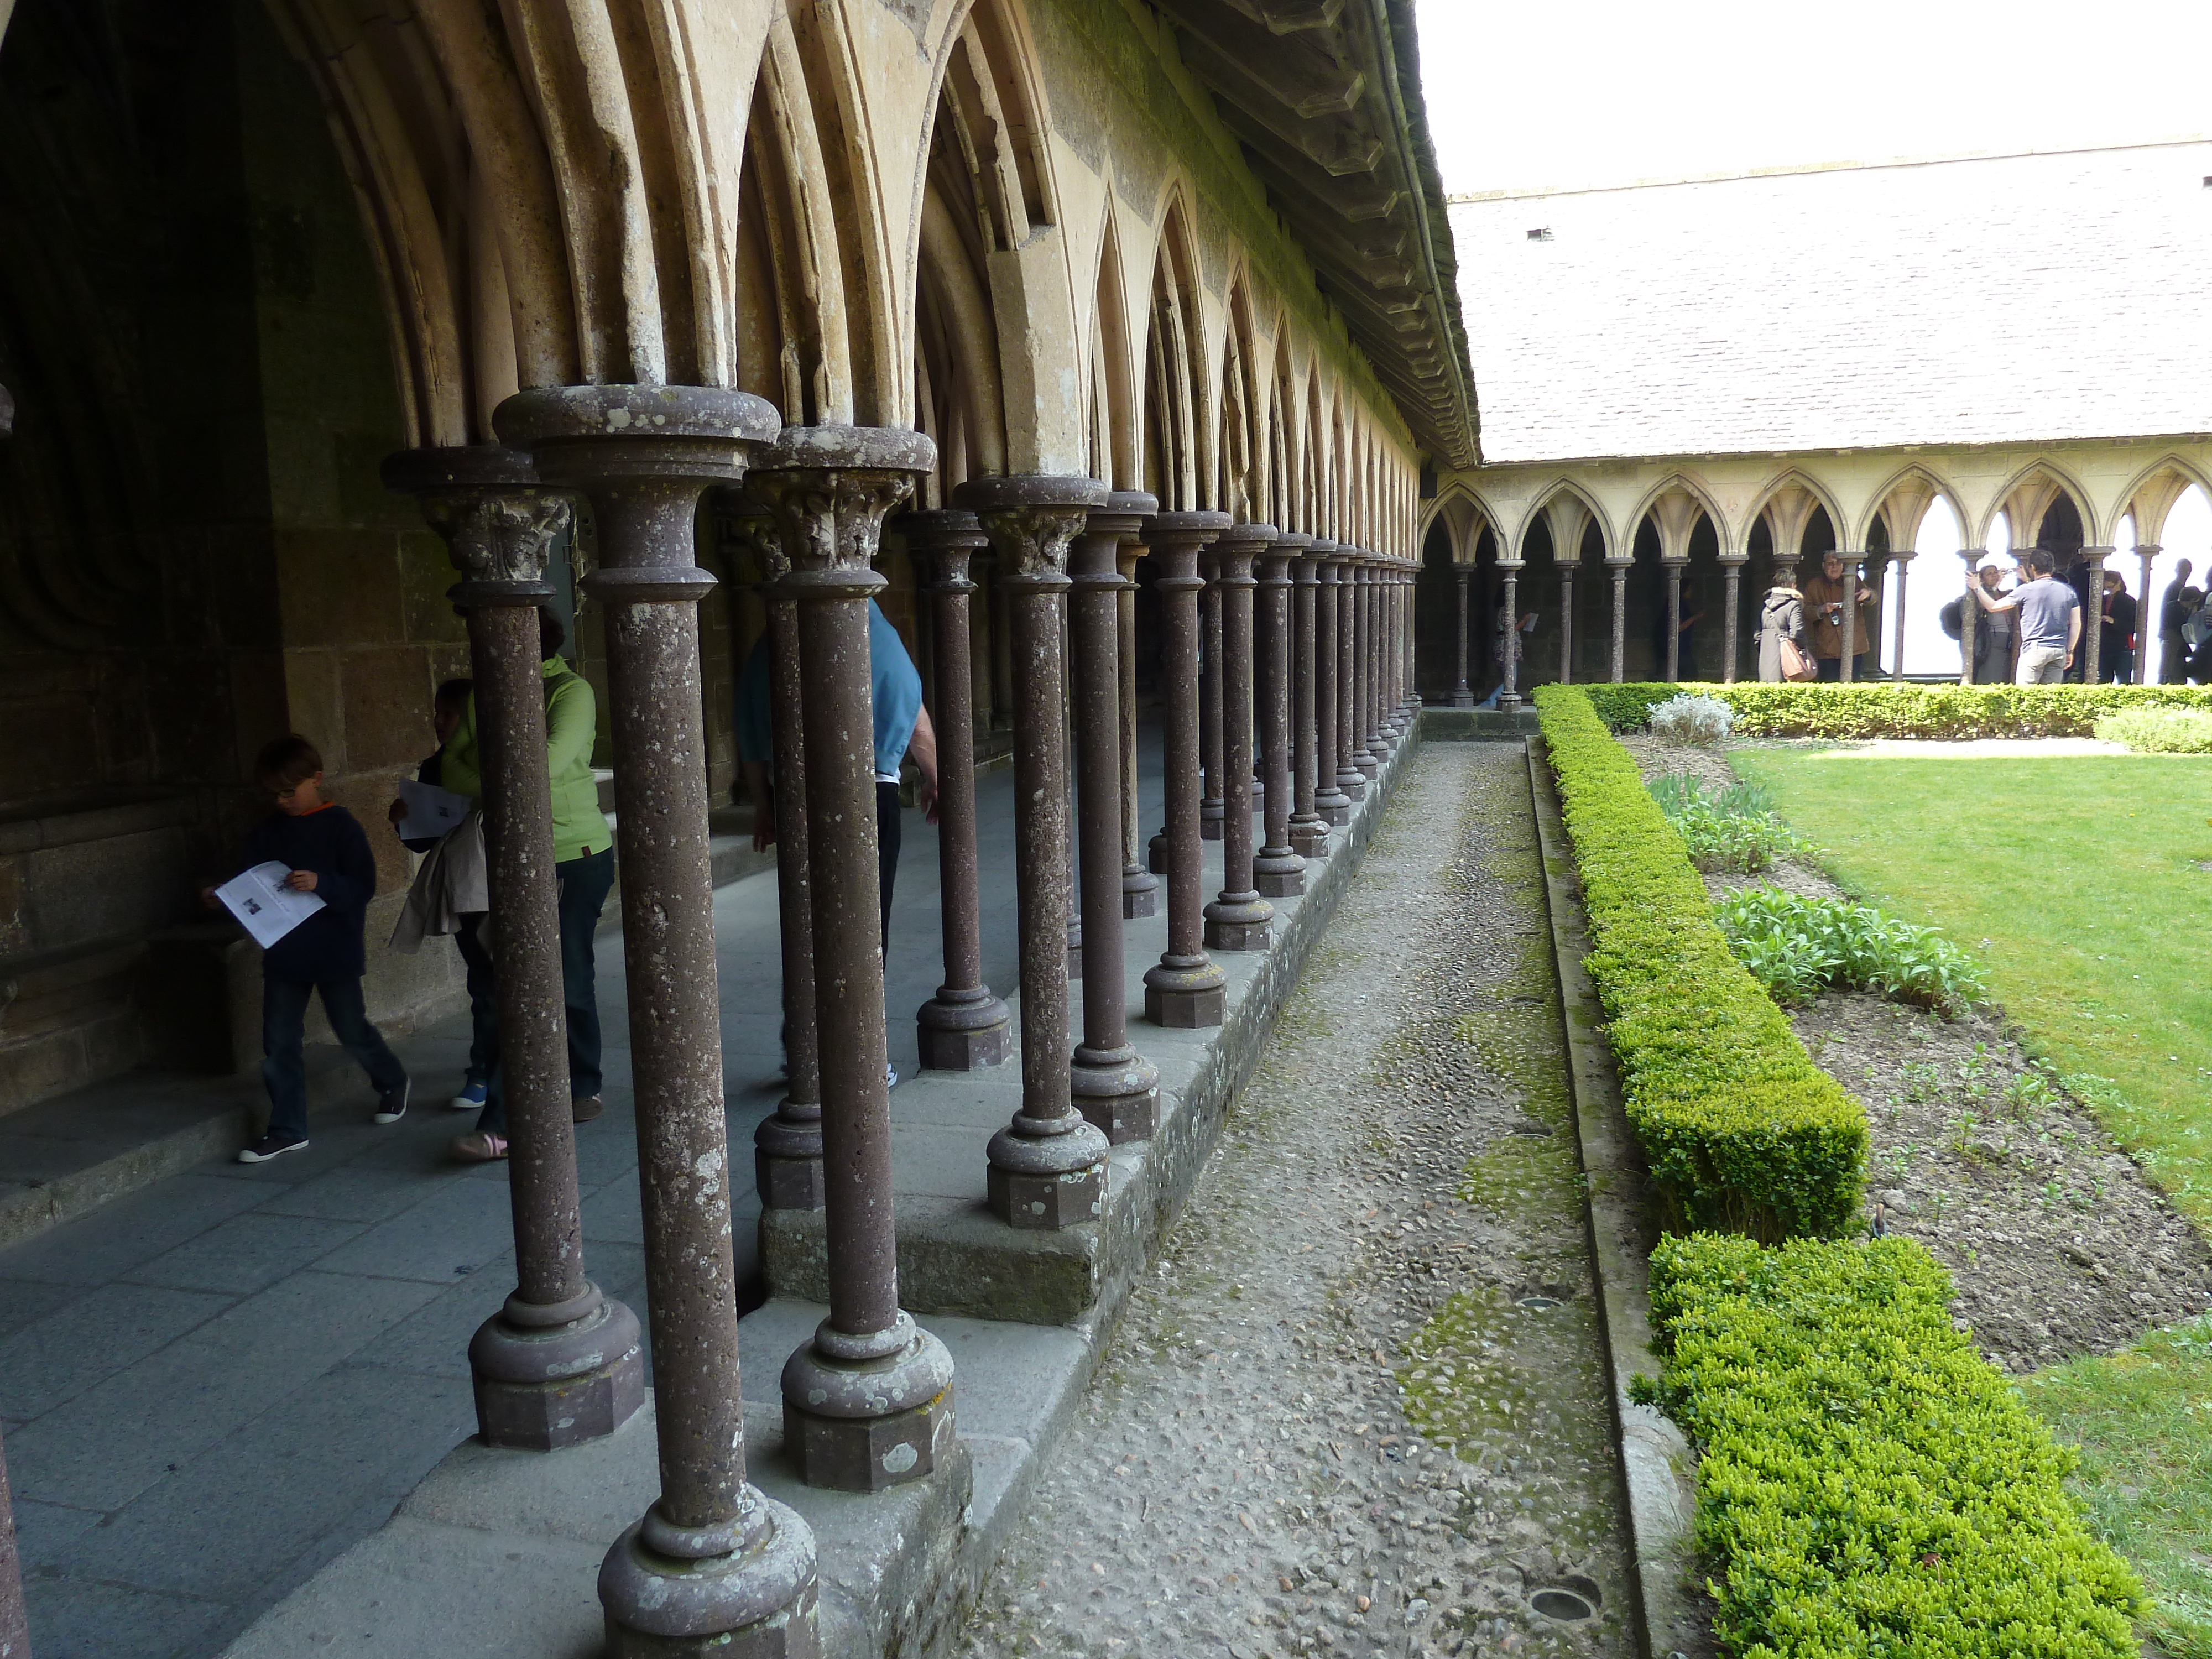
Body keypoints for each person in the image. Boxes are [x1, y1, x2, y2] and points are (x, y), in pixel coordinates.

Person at [438, 609, 614, 1161]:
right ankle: (512, 1111)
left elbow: (549, 762)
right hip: (505, 855)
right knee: (522, 981)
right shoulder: (481, 693)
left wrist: (488, 772)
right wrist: (503, 775)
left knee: (566, 978)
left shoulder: (570, 690)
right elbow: (450, 770)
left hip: (571, 856)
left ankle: (578, 1084)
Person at [737, 598, 938, 1081]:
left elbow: (749, 732)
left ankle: (804, 1048)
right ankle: (858, 1055)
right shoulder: (881, 639)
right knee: (866, 922)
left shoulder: (776, 640)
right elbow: (915, 718)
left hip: (797, 795)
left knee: (807, 920)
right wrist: (936, 780)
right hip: (870, 792)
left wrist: (764, 806)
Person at [204, 735, 409, 1162]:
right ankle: (288, 1128)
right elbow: (251, 890)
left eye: (288, 792)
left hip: (334, 949)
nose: (282, 802)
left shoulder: (341, 826)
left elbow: (363, 886)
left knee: (351, 1028)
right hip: (284, 953)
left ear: (315, 779)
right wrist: (224, 897)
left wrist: (322, 883)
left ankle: (391, 1080)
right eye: (274, 794)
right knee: (279, 1041)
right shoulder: (265, 834)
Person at [390, 679, 495, 1113]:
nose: (439, 721)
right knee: (483, 980)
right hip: (464, 886)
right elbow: (423, 842)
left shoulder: (496, 760)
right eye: (437, 712)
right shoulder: (433, 768)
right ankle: (483, 1070)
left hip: (500, 877)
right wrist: (402, 822)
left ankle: (503, 1067)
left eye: (449, 713)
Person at [1971, 547, 2077, 684]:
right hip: (2059, 649)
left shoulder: (2027, 589)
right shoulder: (2068, 591)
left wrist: (1976, 587)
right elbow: (2076, 624)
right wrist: (2070, 651)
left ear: (2032, 567)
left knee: (2026, 695)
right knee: (2051, 696)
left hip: (2035, 649)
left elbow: (1993, 606)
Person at [1802, 553, 1875, 680]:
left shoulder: (1854, 580)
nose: (1834, 567)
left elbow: (1872, 597)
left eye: (1838, 563)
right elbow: (1805, 611)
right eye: (1830, 564)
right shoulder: (1814, 585)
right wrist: (1821, 609)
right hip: (1827, 648)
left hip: (1854, 647)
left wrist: (1868, 594)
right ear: (1823, 566)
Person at [1757, 578, 1806, 682]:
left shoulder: (1764, 604)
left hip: (1766, 653)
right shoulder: (1793, 604)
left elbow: (1757, 634)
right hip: (1786, 657)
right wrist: (1801, 650)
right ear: (1793, 585)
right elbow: (1797, 633)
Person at [2160, 558, 2195, 683]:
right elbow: (2172, 615)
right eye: (2184, 570)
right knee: (2171, 671)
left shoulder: (2178, 587)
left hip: (2175, 636)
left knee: (2174, 668)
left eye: (2188, 571)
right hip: (2173, 635)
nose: (2186, 573)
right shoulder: (2175, 589)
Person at [2100, 571, 2138, 685]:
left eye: (2111, 587)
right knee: (2104, 680)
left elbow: (2134, 626)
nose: (2109, 591)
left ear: (2118, 584)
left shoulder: (2129, 601)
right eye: (2106, 588)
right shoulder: (2103, 600)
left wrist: (2114, 622)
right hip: (2105, 645)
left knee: (2124, 681)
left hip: (2123, 646)